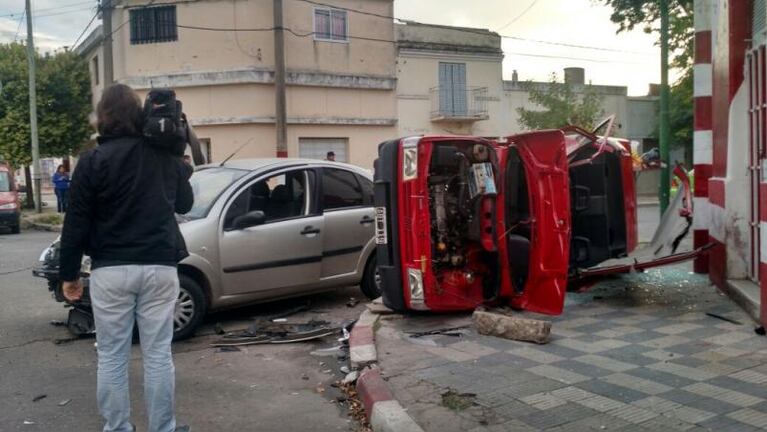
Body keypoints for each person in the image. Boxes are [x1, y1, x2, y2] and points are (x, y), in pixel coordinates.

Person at [59, 84, 193, 432]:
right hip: (161, 267)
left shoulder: (92, 161)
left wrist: (69, 275)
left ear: (103, 117)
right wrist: (180, 162)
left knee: (112, 357)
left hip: (112, 270)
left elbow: (75, 222)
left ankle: (118, 428)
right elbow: (185, 204)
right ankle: (163, 428)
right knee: (158, 355)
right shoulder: (164, 155)